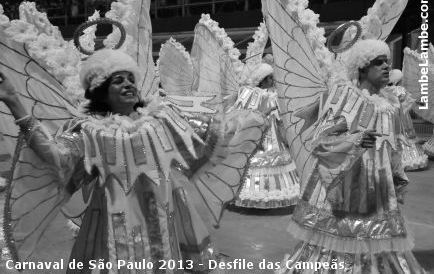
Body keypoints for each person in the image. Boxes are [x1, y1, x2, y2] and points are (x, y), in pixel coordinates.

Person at [0, 49, 266, 274]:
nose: (128, 84)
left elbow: (214, 134)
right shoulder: (90, 131)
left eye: (130, 79)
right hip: (114, 220)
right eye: (118, 80)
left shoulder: (163, 119)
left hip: (167, 212)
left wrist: (253, 115)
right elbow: (56, 157)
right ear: (101, 91)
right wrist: (15, 103)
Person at [277, 39, 426, 273]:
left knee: (380, 236)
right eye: (379, 62)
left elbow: (394, 146)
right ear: (362, 68)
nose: (386, 66)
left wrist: (396, 176)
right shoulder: (346, 96)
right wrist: (355, 140)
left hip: (379, 185)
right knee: (341, 236)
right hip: (345, 183)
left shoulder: (390, 103)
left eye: (387, 61)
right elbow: (321, 138)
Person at [231, 61, 300, 209]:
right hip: (261, 133)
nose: (272, 80)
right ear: (262, 80)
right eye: (269, 78)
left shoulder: (264, 94)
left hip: (269, 133)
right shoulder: (256, 94)